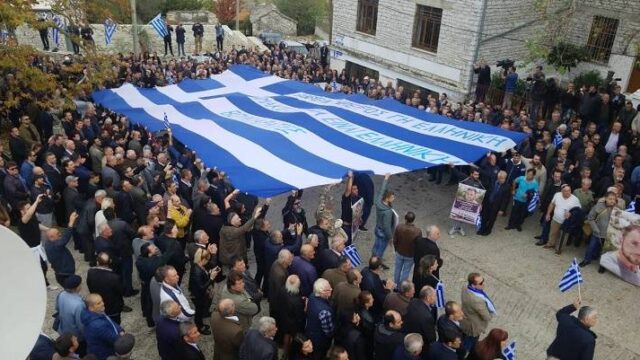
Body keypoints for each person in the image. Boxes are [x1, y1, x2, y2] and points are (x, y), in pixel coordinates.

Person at [580, 191, 619, 267]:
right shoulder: (598, 206)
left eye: (614, 199)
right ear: (605, 198)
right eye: (610, 199)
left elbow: (618, 222)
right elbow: (590, 218)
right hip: (597, 232)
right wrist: (595, 228)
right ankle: (586, 260)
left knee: (605, 251)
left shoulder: (617, 210)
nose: (612, 201)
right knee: (591, 247)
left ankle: (603, 265)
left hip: (608, 234)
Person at [87, 252, 127, 324]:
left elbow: (89, 285)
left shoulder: (90, 272)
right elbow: (122, 291)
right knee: (115, 323)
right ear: (110, 262)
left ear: (97, 261)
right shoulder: (114, 277)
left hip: (97, 305)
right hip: (113, 308)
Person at [81, 293, 124, 360]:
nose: (102, 304)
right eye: (98, 303)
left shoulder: (95, 312)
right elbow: (114, 339)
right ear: (91, 308)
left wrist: (120, 329)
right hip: (104, 354)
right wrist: (122, 337)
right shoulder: (98, 325)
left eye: (102, 301)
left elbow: (109, 321)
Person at [460, 273, 496, 352]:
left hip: (464, 319)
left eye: (483, 280)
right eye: (481, 283)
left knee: (462, 337)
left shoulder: (465, 287)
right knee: (468, 345)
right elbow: (486, 316)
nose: (484, 284)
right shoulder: (477, 301)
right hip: (473, 327)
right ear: (473, 285)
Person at [189, 248, 221, 335]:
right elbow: (201, 287)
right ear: (202, 259)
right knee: (199, 312)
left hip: (200, 294)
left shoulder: (197, 265)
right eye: (207, 259)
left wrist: (210, 272)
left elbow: (203, 275)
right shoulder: (197, 271)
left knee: (202, 309)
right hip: (198, 296)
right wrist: (211, 278)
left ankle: (204, 316)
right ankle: (200, 327)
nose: (208, 261)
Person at [55, 275, 87, 356]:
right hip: (76, 338)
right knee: (81, 352)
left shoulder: (61, 294)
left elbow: (57, 308)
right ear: (77, 287)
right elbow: (81, 325)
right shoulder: (79, 305)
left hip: (63, 330)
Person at [543, 184, 581, 251]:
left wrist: (571, 214)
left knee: (563, 236)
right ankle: (551, 244)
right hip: (556, 219)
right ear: (561, 191)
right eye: (565, 191)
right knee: (553, 233)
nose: (568, 192)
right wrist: (548, 214)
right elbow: (552, 204)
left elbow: (578, 211)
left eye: (569, 190)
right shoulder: (557, 195)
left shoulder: (575, 199)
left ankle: (559, 249)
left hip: (566, 222)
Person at [45, 211, 79, 286]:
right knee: (70, 287)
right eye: (57, 234)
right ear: (51, 237)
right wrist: (71, 223)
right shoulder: (56, 245)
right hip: (65, 273)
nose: (60, 234)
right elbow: (65, 238)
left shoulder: (48, 243)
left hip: (60, 272)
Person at [306, 278, 335, 359]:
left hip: (310, 331)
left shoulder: (312, 295)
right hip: (320, 341)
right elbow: (329, 332)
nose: (331, 289)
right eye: (328, 289)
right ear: (322, 292)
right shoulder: (324, 312)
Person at [393, 211, 422, 285]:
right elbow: (418, 245)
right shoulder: (418, 231)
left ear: (405, 219)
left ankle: (396, 285)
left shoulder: (399, 227)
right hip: (410, 255)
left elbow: (395, 240)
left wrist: (396, 249)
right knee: (406, 272)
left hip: (399, 252)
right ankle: (402, 287)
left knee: (397, 269)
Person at [477, 170, 510, 236]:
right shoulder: (492, 182)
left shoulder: (507, 187)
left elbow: (505, 199)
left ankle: (488, 230)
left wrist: (501, 209)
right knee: (484, 217)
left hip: (496, 206)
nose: (500, 180)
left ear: (505, 178)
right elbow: (486, 191)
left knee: (491, 219)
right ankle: (482, 229)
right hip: (487, 203)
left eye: (502, 178)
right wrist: (481, 201)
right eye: (499, 178)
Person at [372, 173, 395, 258]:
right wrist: (390, 237)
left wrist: (386, 179)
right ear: (387, 198)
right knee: (381, 249)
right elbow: (387, 226)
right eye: (392, 197)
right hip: (383, 232)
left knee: (376, 244)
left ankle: (373, 257)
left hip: (377, 228)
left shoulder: (378, 202)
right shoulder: (388, 211)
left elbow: (382, 190)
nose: (393, 199)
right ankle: (376, 262)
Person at [341, 171, 362, 245]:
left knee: (350, 242)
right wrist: (350, 178)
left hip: (353, 226)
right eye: (354, 189)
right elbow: (348, 190)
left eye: (357, 189)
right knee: (345, 244)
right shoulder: (346, 199)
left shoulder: (358, 198)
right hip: (345, 227)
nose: (356, 190)